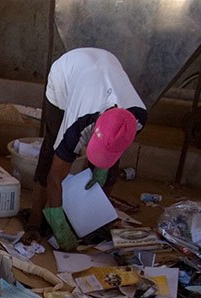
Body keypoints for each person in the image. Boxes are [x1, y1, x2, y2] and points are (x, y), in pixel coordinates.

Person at [25, 48, 147, 251]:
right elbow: (55, 178)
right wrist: (58, 224)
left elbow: (116, 146)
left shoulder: (138, 118)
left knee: (110, 170)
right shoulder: (77, 125)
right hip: (67, 75)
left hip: (107, 63)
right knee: (50, 152)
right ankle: (34, 223)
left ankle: (93, 220)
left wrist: (103, 172)